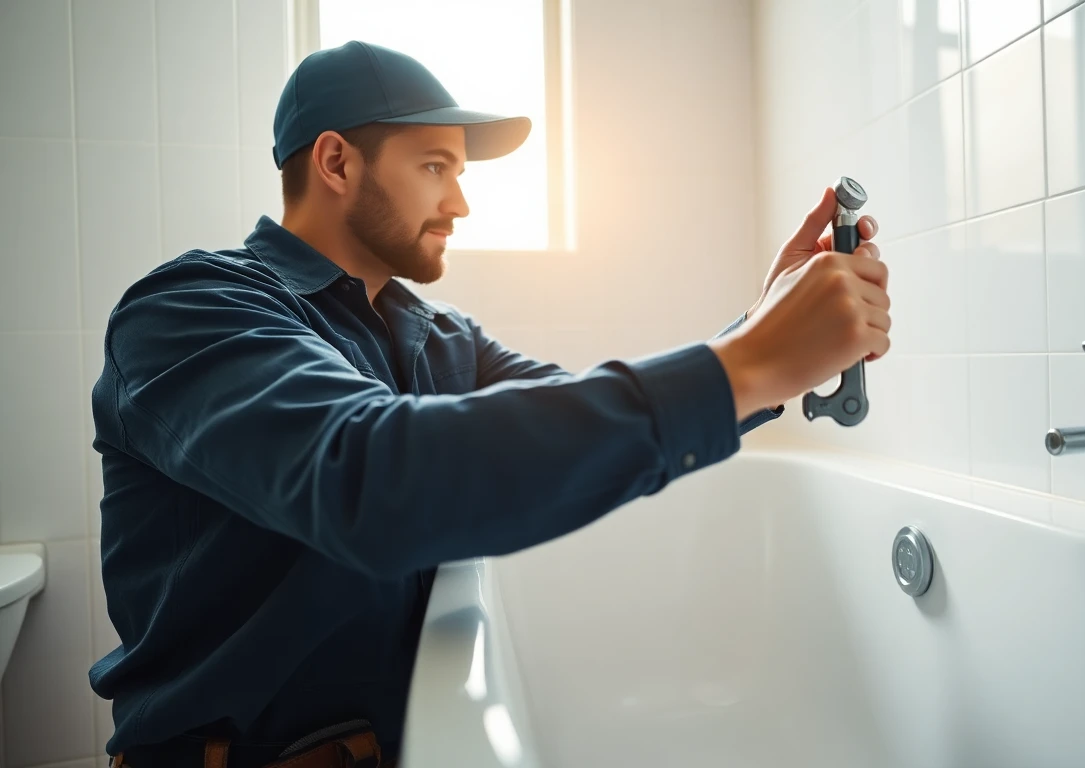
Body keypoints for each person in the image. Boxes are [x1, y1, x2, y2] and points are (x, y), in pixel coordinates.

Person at [90, 41, 888, 767]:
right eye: (436, 166)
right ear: (336, 162)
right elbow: (370, 476)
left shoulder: (440, 335)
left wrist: (762, 332)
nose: (461, 203)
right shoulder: (191, 310)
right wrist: (751, 360)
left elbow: (575, 424)